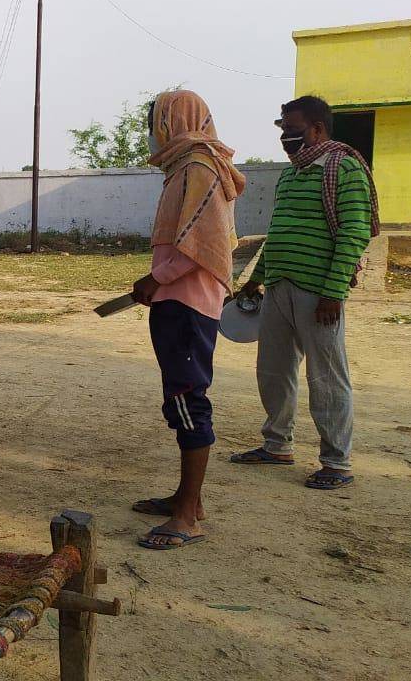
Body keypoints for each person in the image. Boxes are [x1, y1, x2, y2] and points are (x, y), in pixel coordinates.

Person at [230, 95, 378, 490]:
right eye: (283, 131)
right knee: (274, 371)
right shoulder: (292, 173)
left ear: (317, 129)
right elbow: (278, 234)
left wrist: (333, 293)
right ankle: (276, 445)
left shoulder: (343, 168)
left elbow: (354, 233)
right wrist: (256, 277)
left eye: (293, 131)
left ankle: (336, 463)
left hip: (319, 293)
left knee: (326, 377)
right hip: (279, 286)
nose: (286, 138)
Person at [128, 90, 245, 551]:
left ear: (173, 121)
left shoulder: (199, 167)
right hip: (176, 299)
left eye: (157, 121)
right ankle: (186, 499)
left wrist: (157, 278)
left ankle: (187, 517)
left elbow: (200, 243)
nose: (154, 131)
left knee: (186, 398)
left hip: (186, 302)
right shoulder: (185, 166)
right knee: (180, 397)